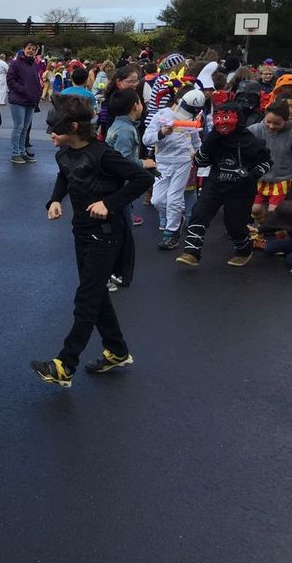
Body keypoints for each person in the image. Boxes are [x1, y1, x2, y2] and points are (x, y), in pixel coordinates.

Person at [31, 96, 150, 387]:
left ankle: (65, 364)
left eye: (54, 128)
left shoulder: (104, 155)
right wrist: (55, 200)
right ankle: (117, 350)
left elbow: (142, 179)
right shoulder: (63, 154)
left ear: (73, 127)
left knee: (86, 298)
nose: (50, 134)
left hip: (107, 235)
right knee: (95, 293)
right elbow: (65, 176)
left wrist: (109, 203)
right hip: (82, 231)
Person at [176, 101, 272, 267]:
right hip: (215, 182)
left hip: (240, 188)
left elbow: (267, 161)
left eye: (226, 117)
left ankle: (244, 250)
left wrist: (253, 174)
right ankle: (191, 252)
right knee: (200, 212)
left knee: (234, 224)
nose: (221, 122)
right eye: (218, 118)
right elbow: (200, 161)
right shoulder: (214, 138)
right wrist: (209, 142)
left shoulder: (250, 141)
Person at [143, 88, 203, 249]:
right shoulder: (161, 115)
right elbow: (146, 139)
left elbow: (196, 140)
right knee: (157, 200)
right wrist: (161, 133)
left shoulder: (191, 118)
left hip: (183, 162)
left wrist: (199, 155)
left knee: (174, 198)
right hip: (163, 162)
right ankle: (177, 218)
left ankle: (172, 232)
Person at [106, 88, 156, 229]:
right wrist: (144, 163)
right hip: (119, 181)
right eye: (140, 102)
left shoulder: (120, 124)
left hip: (115, 180)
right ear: (135, 106)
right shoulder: (126, 130)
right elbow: (123, 161)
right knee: (124, 219)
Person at [248, 99, 292, 220]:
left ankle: (270, 227)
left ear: (285, 120)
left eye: (277, 124)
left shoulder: (290, 133)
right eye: (268, 122)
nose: (271, 126)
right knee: (255, 209)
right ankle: (263, 225)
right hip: (259, 177)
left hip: (282, 178)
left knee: (273, 213)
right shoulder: (255, 130)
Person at [7, 40, 42, 164]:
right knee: (19, 127)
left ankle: (22, 152)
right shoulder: (16, 63)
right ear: (24, 49)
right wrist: (24, 90)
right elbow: (11, 80)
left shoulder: (34, 65)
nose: (31, 51)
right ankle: (15, 153)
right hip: (18, 100)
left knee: (25, 129)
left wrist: (36, 94)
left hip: (30, 101)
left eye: (33, 49)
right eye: (29, 48)